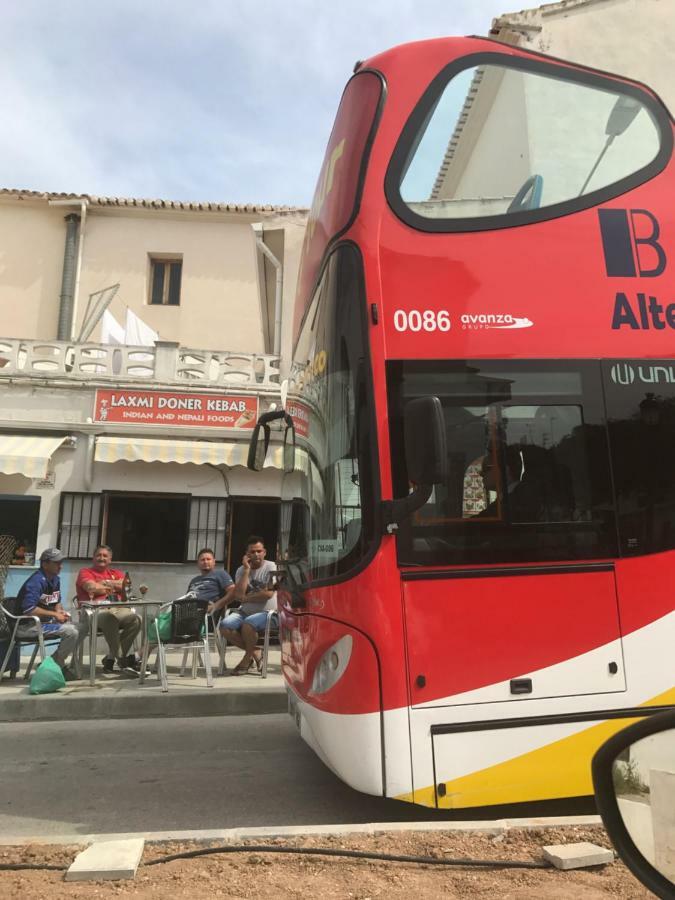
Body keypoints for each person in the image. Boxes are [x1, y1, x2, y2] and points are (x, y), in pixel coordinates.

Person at [17, 548, 87, 681]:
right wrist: (54, 615)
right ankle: (57, 666)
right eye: (56, 562)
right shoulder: (36, 581)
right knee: (71, 631)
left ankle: (52, 663)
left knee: (83, 627)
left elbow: (56, 602)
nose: (60, 566)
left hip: (45, 623)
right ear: (45, 564)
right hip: (27, 625)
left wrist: (59, 611)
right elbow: (29, 609)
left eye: (61, 562)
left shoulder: (55, 579)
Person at [75, 544, 144, 676]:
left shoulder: (116, 573)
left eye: (105, 556)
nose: (102, 558)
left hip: (117, 609)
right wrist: (115, 585)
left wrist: (104, 583)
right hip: (93, 612)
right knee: (109, 617)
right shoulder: (85, 572)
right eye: (98, 555)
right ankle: (122, 660)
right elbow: (91, 588)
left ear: (110, 560)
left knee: (137, 619)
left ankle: (111, 658)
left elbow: (127, 585)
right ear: (93, 558)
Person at [219, 536, 276, 675]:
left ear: (264, 552)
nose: (256, 554)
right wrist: (246, 570)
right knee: (224, 626)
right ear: (247, 554)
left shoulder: (272, 566)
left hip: (269, 613)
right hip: (244, 612)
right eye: (252, 552)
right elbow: (238, 595)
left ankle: (246, 659)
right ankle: (255, 652)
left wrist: (246, 598)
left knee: (248, 624)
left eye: (259, 551)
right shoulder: (241, 570)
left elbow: (268, 594)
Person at [188, 547, 236, 613]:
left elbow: (233, 592)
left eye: (208, 559)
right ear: (198, 563)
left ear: (214, 562)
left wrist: (215, 606)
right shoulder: (194, 580)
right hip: (188, 611)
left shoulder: (220, 574)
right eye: (202, 560)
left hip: (205, 613)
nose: (205, 562)